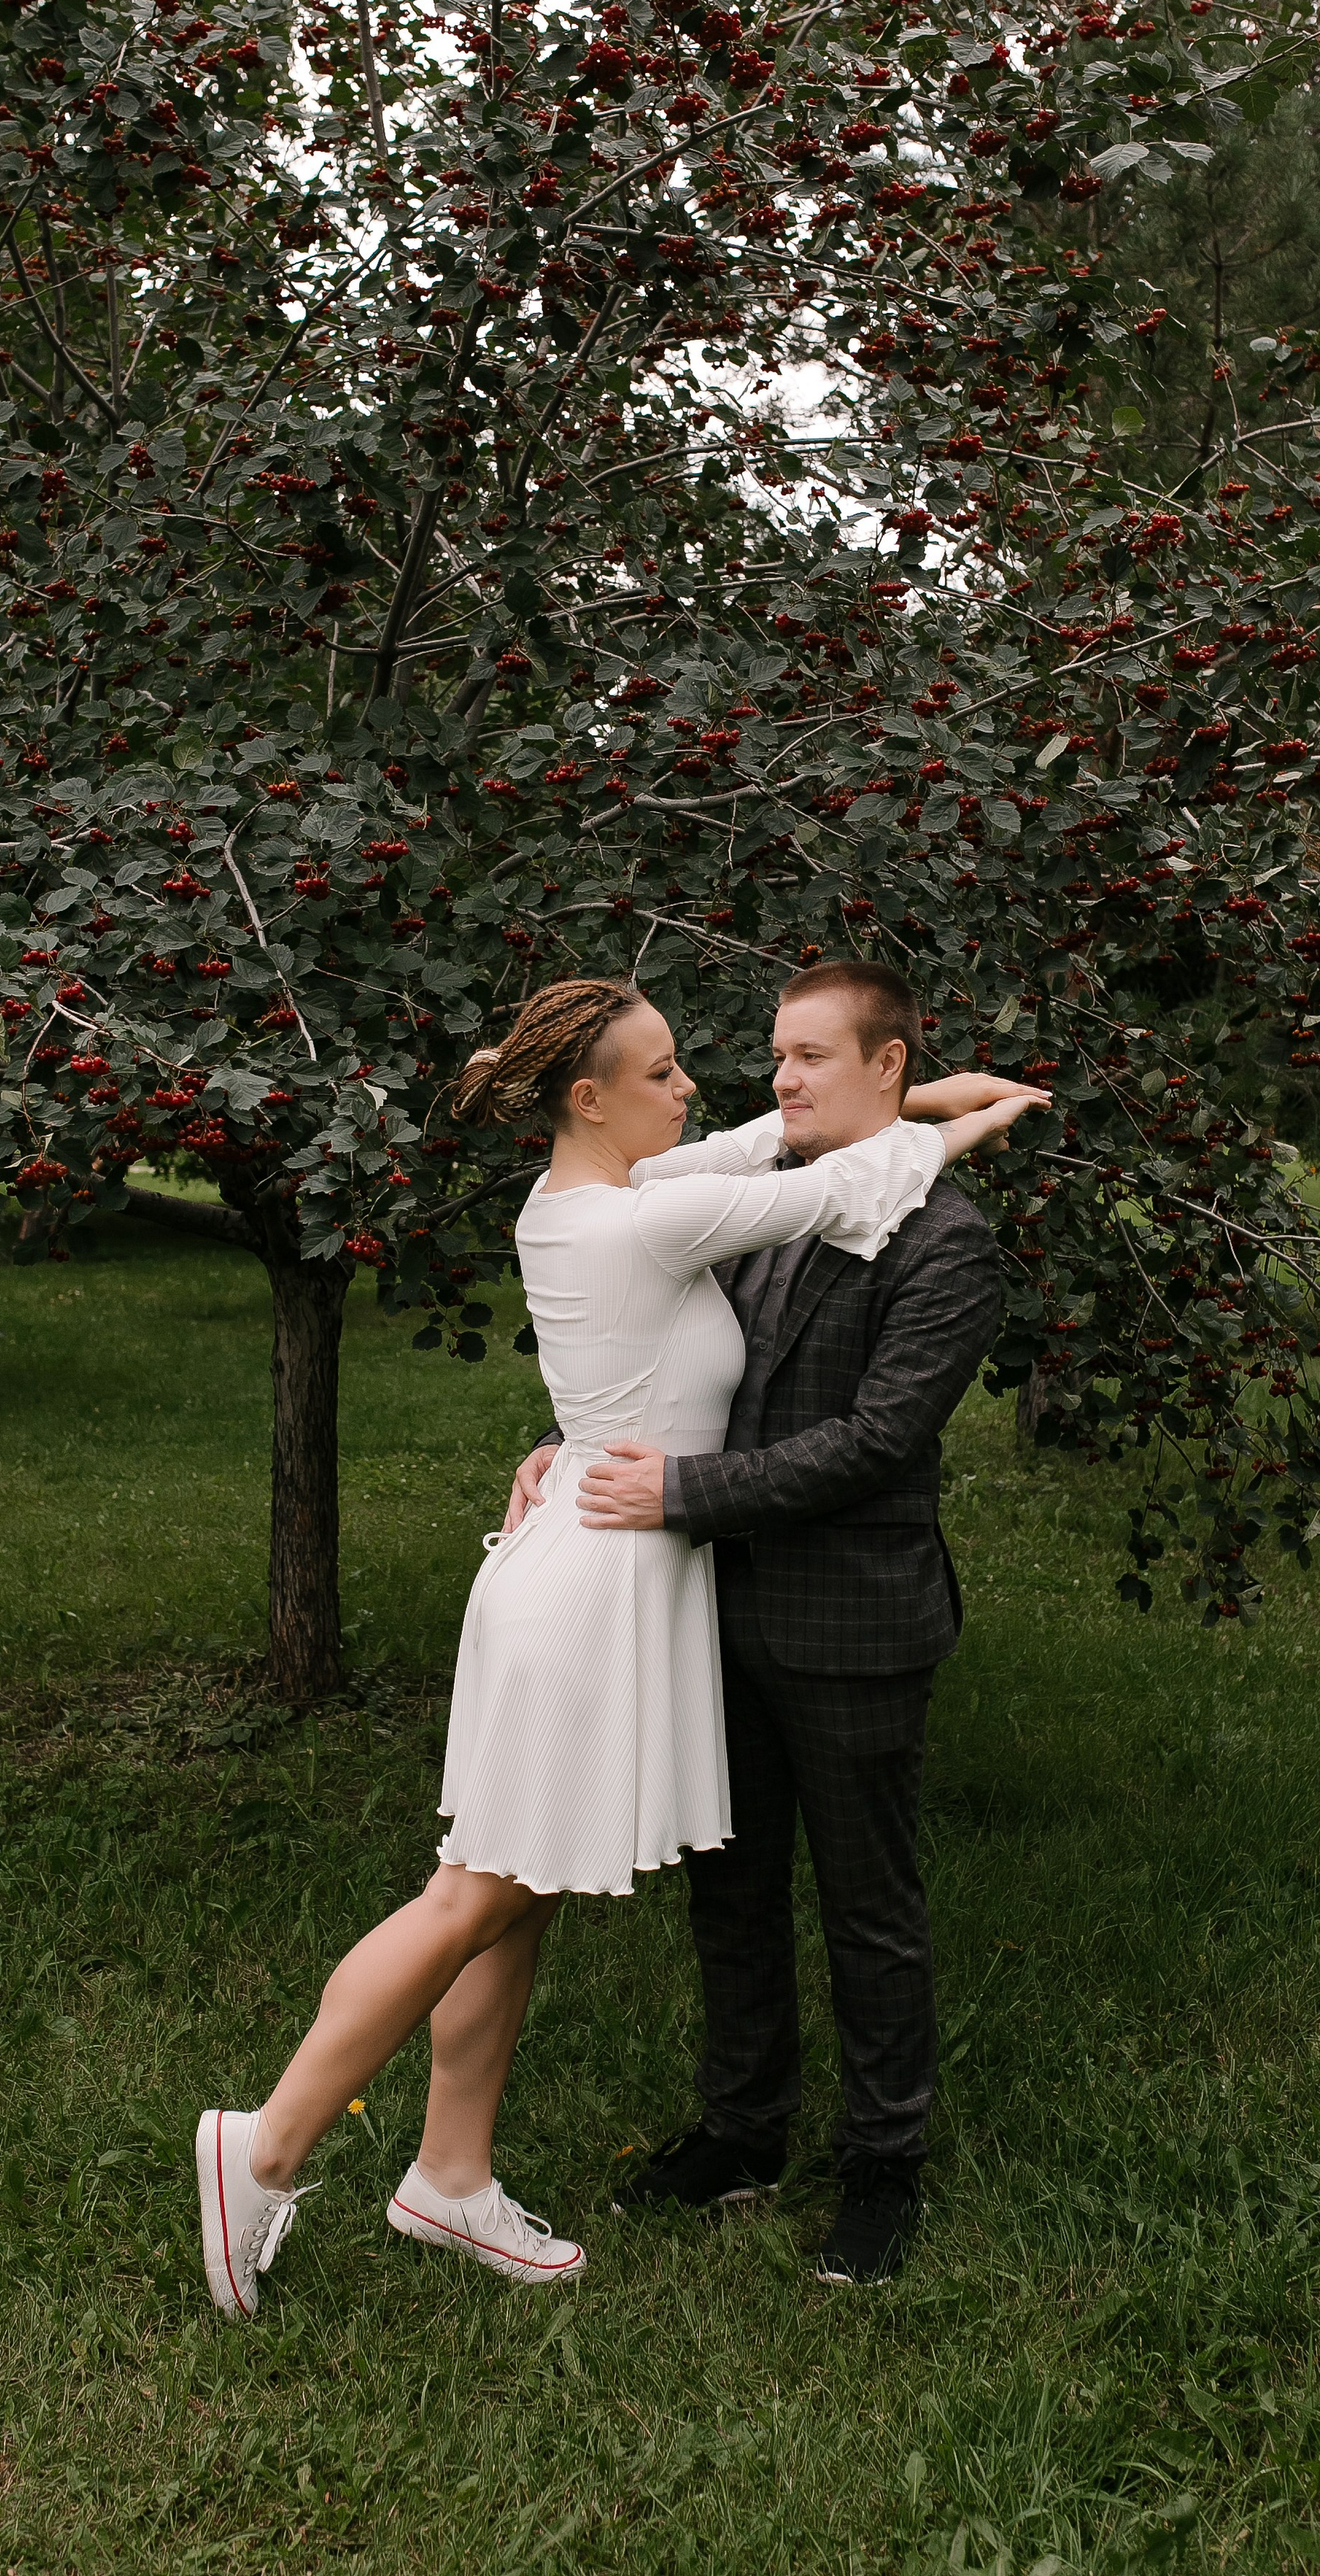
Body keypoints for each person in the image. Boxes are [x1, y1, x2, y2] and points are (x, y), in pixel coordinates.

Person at [197, 974, 1045, 2314]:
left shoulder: (643, 1195)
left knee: (527, 1894)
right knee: (478, 1893)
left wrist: (593, 1439)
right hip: (603, 1586)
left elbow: (840, 1390)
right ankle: (266, 2146)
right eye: (673, 1069)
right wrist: (958, 1123)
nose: (732, 1083)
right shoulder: (658, 1212)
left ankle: (454, 2176)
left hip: (705, 1585)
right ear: (589, 1100)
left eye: (805, 1055)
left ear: (881, 1062)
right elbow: (824, 1185)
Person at [510, 961, 1017, 2285]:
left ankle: (883, 2166)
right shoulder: (762, 1201)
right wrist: (571, 1448)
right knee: (730, 1894)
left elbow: (877, 1441)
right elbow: (667, 1362)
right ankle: (742, 2132)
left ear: (889, 1066)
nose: (779, 1079)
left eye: (811, 1057)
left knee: (868, 1907)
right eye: (777, 1055)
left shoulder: (948, 1243)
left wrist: (678, 1495)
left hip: (852, 1620)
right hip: (716, 1608)